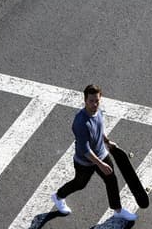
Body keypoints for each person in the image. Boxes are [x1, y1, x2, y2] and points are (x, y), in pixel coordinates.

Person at [51, 84, 137, 221]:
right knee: (80, 184)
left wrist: (107, 142)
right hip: (84, 161)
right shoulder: (81, 122)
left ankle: (118, 210)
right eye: (91, 101)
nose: (94, 104)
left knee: (111, 180)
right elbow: (85, 150)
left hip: (101, 153)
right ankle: (58, 196)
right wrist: (101, 164)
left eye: (97, 100)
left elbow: (100, 128)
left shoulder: (99, 111)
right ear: (85, 100)